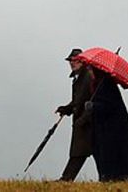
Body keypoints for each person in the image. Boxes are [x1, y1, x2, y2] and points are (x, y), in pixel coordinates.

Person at [84, 67, 128, 181]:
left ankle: (118, 176)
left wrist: (93, 106)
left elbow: (111, 106)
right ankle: (108, 176)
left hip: (113, 128)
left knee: (115, 154)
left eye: (91, 71)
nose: (89, 73)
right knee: (103, 153)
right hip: (104, 127)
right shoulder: (98, 84)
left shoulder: (107, 85)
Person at [54, 48, 93, 181]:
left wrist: (83, 119)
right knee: (79, 152)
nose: (72, 63)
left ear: (82, 61)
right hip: (82, 122)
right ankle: (66, 178)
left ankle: (66, 179)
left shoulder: (87, 76)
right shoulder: (78, 78)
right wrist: (67, 109)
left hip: (89, 123)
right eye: (70, 60)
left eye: (75, 60)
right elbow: (78, 101)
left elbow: (90, 99)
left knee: (84, 152)